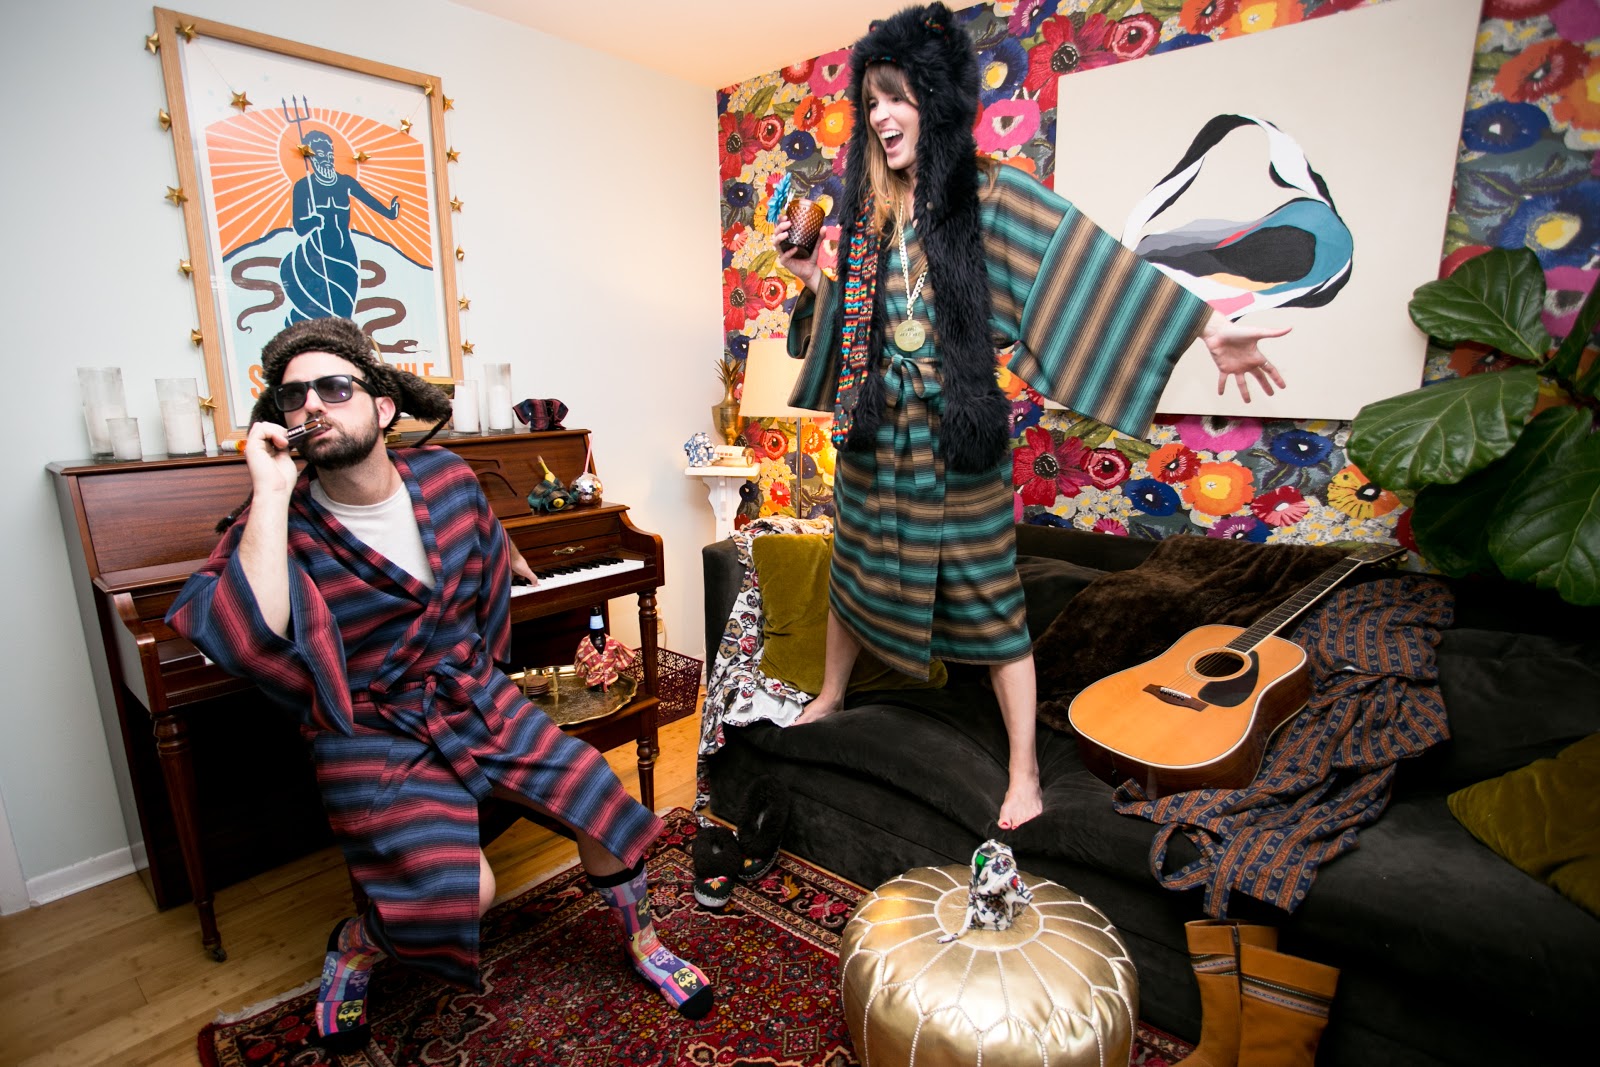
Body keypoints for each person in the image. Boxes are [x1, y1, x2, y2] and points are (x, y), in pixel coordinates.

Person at [773, 3, 1289, 832]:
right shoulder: (867, 218)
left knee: (993, 600)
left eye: (898, 96)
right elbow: (855, 331)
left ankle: (1023, 769)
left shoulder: (993, 196)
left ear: (938, 102)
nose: (881, 116)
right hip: (876, 437)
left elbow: (1086, 266)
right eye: (870, 101)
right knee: (853, 564)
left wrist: (1204, 326)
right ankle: (832, 692)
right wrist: (810, 279)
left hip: (957, 438)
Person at [166, 318, 713, 1051]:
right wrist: (268, 492)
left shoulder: (447, 477)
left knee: (602, 803)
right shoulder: (280, 524)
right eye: (294, 397)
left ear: (383, 405)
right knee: (464, 895)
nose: (313, 405)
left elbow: (482, 539)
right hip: (371, 727)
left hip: (471, 693)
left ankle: (644, 941)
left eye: (334, 387)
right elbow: (239, 635)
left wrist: (504, 564)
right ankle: (354, 944)